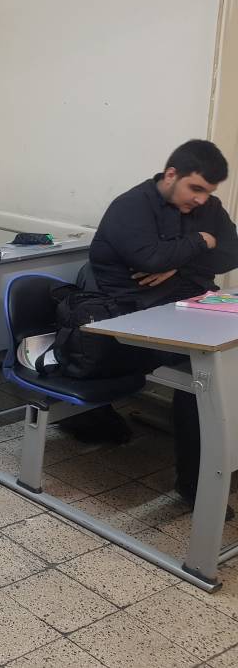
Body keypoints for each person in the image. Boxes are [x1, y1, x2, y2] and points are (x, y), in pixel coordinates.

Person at [90, 139, 238, 512]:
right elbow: (150, 260)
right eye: (196, 188)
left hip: (188, 307)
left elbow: (231, 253)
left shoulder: (207, 206)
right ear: (171, 174)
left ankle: (227, 460)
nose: (202, 200)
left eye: (209, 192)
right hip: (131, 321)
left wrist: (179, 262)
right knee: (206, 370)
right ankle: (196, 485)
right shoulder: (130, 206)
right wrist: (200, 240)